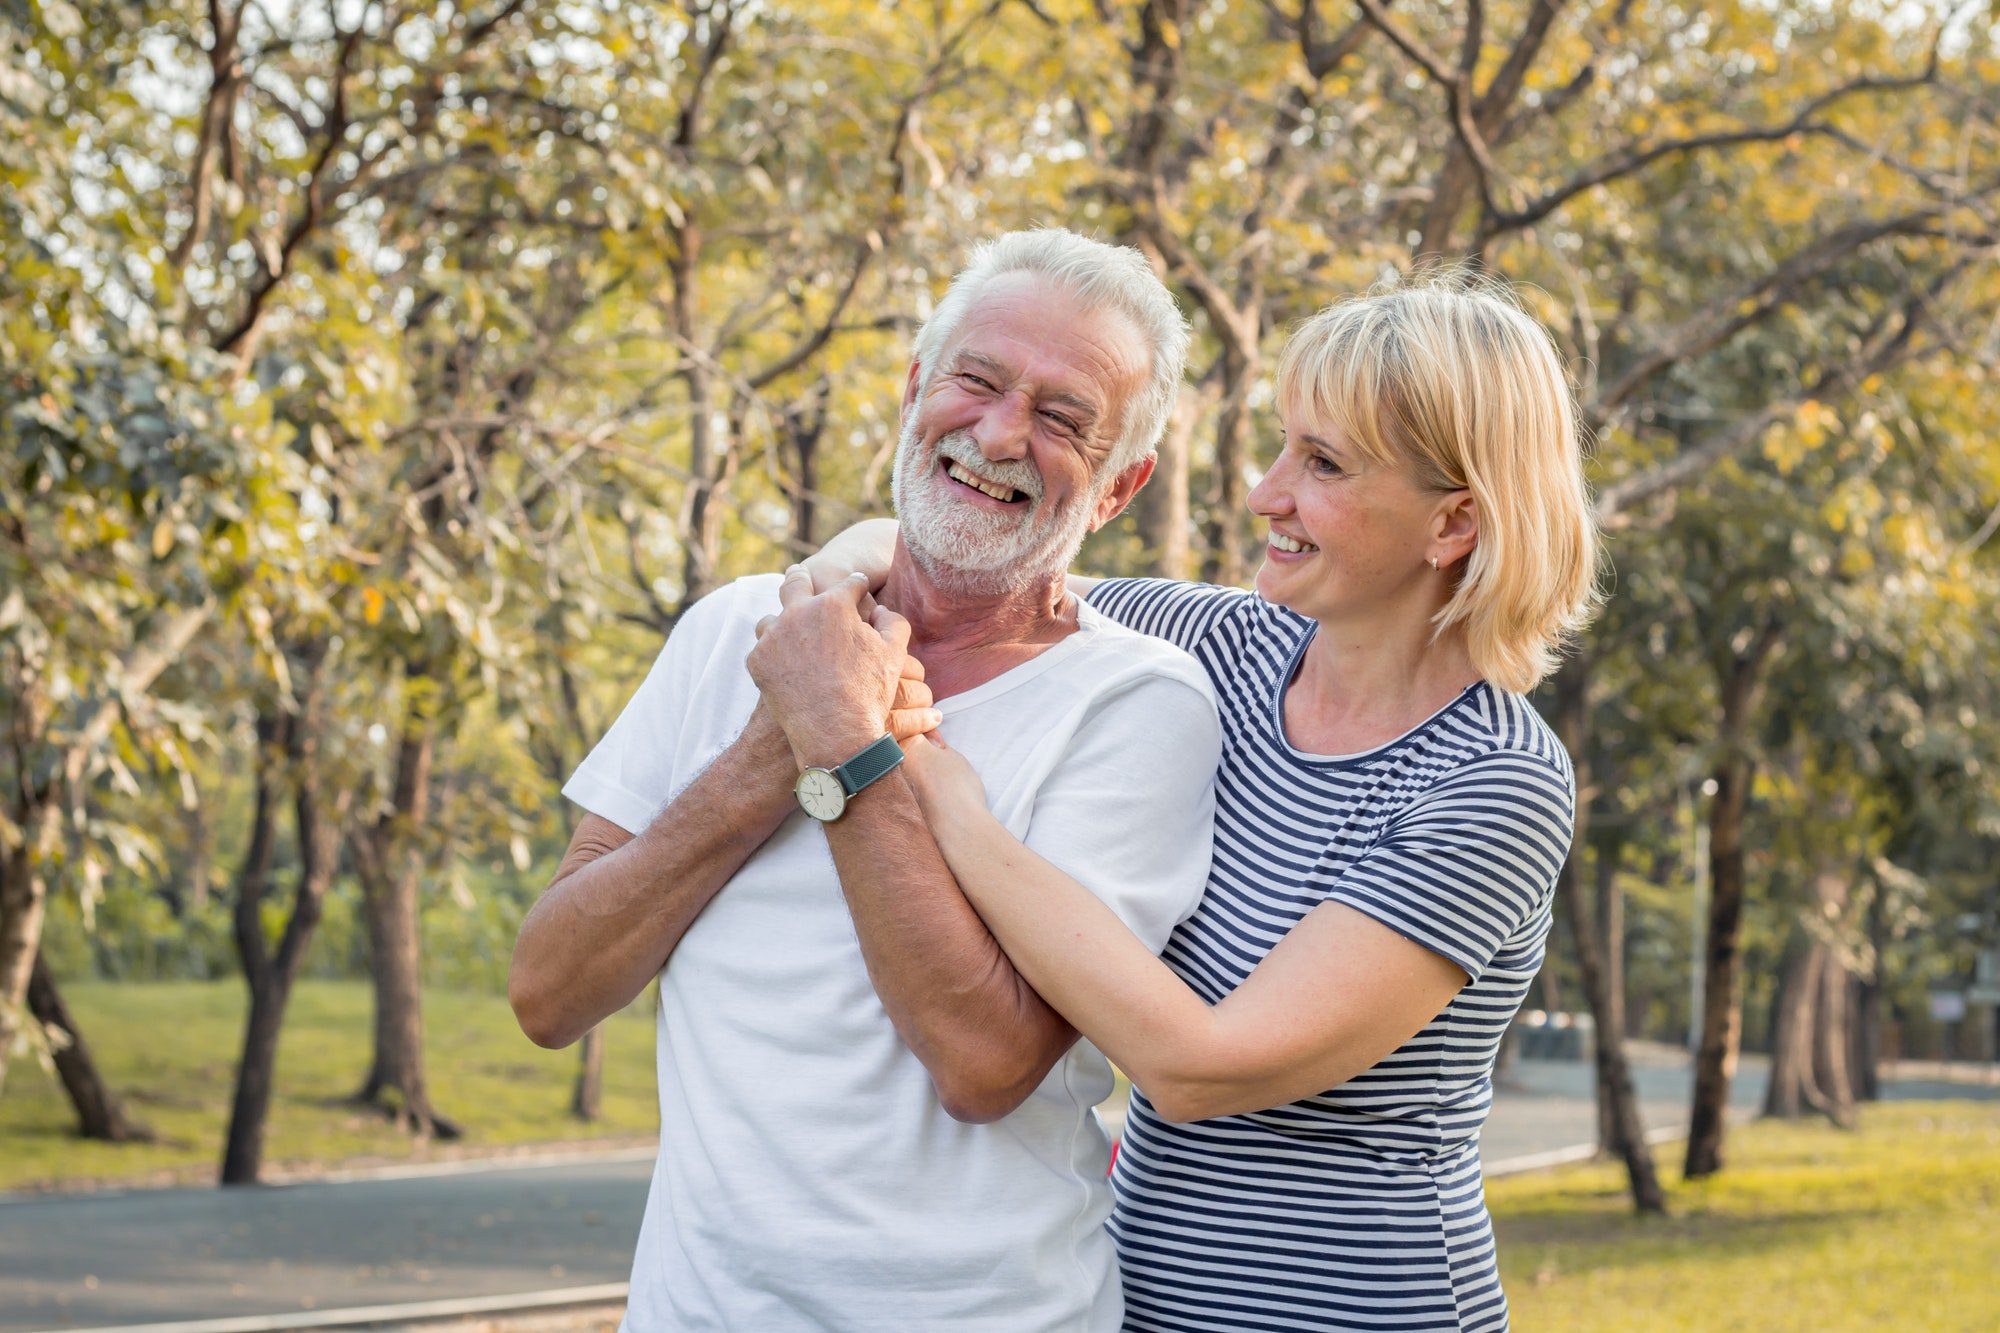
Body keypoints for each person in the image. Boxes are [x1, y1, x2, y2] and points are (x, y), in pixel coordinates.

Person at [809, 269, 1600, 1331]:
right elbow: (936, 559)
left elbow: (1196, 1067)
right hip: (1140, 1299)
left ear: (1452, 521)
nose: (1265, 492)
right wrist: (826, 594)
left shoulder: (1489, 782)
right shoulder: (1216, 646)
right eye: (1282, 446)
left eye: (1320, 465)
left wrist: (934, 793)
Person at [507, 228, 1225, 1331]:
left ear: (1120, 486)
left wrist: (844, 738)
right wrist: (766, 751)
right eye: (975, 383)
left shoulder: (1135, 705)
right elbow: (550, 993)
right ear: (912, 391)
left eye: (1060, 417)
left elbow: (984, 1065)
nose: (998, 433)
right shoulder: (729, 634)